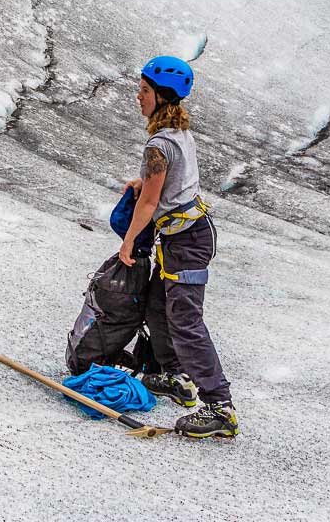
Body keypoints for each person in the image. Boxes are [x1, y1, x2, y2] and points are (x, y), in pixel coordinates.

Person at [117, 55, 236, 439]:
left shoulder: (158, 145)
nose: (138, 96)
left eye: (145, 91)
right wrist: (142, 185)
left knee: (185, 321)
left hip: (186, 241)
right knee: (157, 307)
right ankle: (176, 378)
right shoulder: (176, 133)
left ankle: (220, 407)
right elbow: (163, 188)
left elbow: (150, 205)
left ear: (163, 97)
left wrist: (130, 242)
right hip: (184, 235)